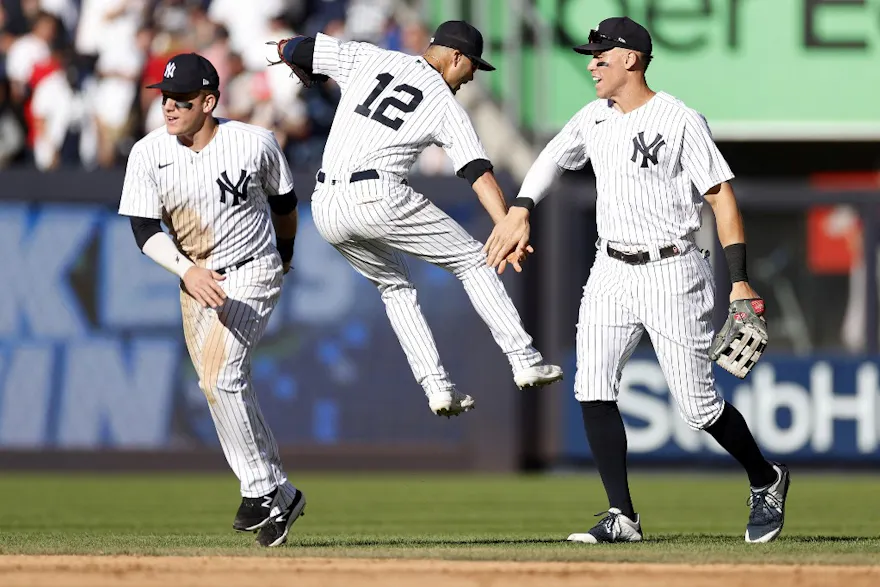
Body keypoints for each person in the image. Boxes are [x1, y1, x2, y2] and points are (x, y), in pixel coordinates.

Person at [484, 17, 790, 544]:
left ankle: (766, 478)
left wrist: (739, 281)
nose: (591, 63)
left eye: (601, 55)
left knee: (698, 408)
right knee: (591, 386)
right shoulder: (593, 117)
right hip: (610, 269)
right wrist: (520, 209)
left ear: (631, 58)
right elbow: (551, 160)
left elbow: (721, 198)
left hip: (673, 269)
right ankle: (621, 516)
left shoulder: (679, 119)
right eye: (591, 54)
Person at [265, 20, 563, 417]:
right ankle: (523, 359)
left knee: (395, 288)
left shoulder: (369, 57)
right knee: (473, 260)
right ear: (456, 57)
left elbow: (294, 48)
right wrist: (506, 223)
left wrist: (290, 54)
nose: (471, 76)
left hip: (326, 205)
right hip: (377, 194)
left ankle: (438, 389)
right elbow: (478, 173)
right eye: (473, 66)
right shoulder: (443, 102)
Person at [117, 53, 304, 547]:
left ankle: (260, 488)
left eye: (181, 99)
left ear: (208, 101)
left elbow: (286, 207)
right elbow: (142, 229)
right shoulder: (147, 152)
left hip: (253, 268)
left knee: (222, 375)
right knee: (215, 384)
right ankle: (281, 493)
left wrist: (285, 254)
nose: (170, 106)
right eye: (165, 97)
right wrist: (186, 270)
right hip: (195, 277)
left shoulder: (254, 142)